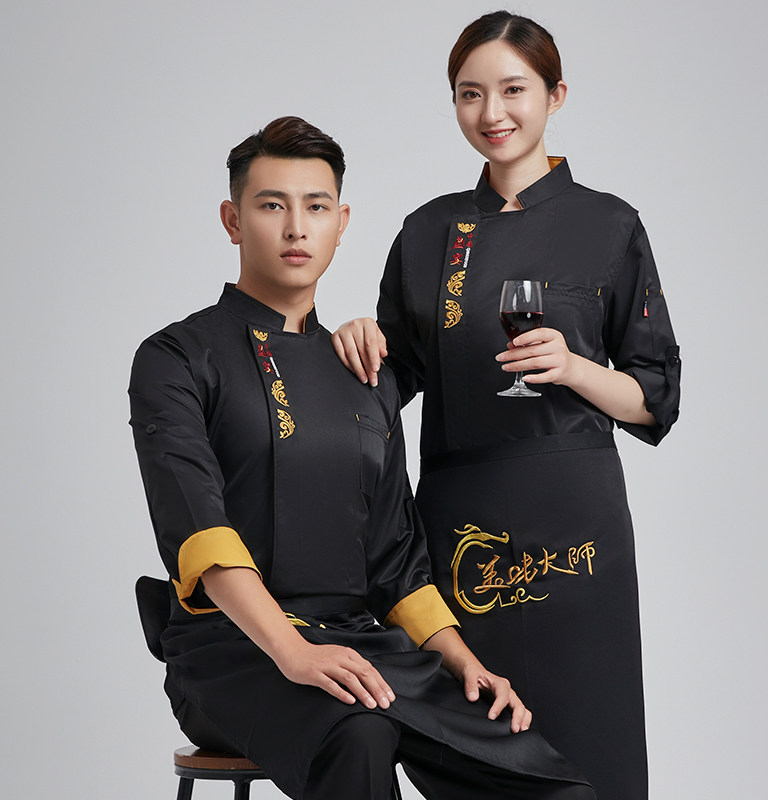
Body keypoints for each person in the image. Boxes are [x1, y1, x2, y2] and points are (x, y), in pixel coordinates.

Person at [129, 116, 596, 800]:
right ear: (233, 220)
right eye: (271, 206)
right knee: (360, 731)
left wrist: (463, 662)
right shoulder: (174, 358)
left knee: (550, 783)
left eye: (316, 207)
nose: (296, 228)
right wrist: (293, 652)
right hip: (228, 651)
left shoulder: (365, 373)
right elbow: (198, 526)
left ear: (341, 223)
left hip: (362, 646)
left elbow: (395, 558)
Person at [332, 11, 681, 800]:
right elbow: (391, 379)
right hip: (462, 532)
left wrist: (575, 368)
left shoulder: (609, 224)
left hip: (576, 528)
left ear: (556, 95)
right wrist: (357, 339)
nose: (492, 112)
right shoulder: (428, 232)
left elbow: (655, 396)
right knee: (476, 750)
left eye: (513, 90)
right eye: (470, 93)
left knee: (590, 751)